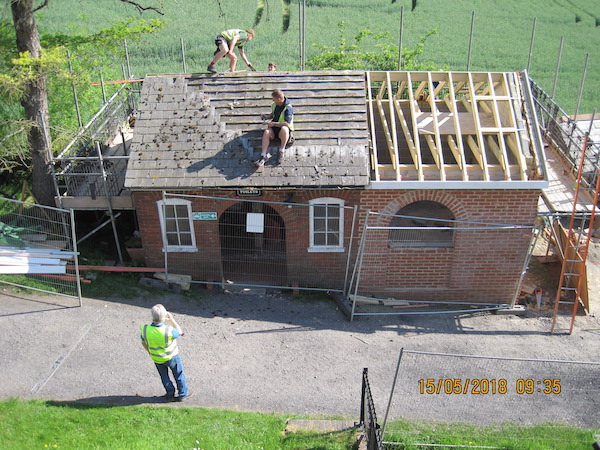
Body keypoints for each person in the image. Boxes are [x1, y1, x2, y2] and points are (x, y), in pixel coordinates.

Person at [140, 304, 191, 401]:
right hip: (172, 357)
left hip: (157, 358)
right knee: (178, 375)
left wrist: (150, 352)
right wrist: (172, 319)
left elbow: (143, 342)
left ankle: (170, 393)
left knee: (164, 376)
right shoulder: (168, 330)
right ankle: (183, 394)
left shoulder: (145, 329)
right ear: (164, 317)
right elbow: (180, 332)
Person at [255, 89, 294, 167]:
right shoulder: (274, 104)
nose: (272, 100)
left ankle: (281, 151)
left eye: (274, 99)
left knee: (284, 129)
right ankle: (263, 156)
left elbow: (287, 123)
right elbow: (273, 114)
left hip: (282, 131)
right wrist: (266, 116)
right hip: (274, 128)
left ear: (279, 99)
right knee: (266, 132)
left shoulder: (288, 108)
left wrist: (274, 124)